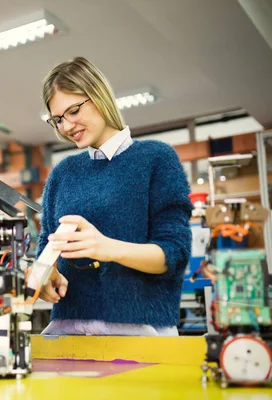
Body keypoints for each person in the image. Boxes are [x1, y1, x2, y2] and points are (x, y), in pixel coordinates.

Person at [37, 57, 192, 336]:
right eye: (58, 120)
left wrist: (107, 248)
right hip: (70, 331)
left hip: (140, 332)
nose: (67, 126)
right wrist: (44, 274)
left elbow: (174, 255)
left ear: (99, 96)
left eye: (73, 111)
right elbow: (45, 248)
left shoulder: (155, 159)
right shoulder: (62, 173)